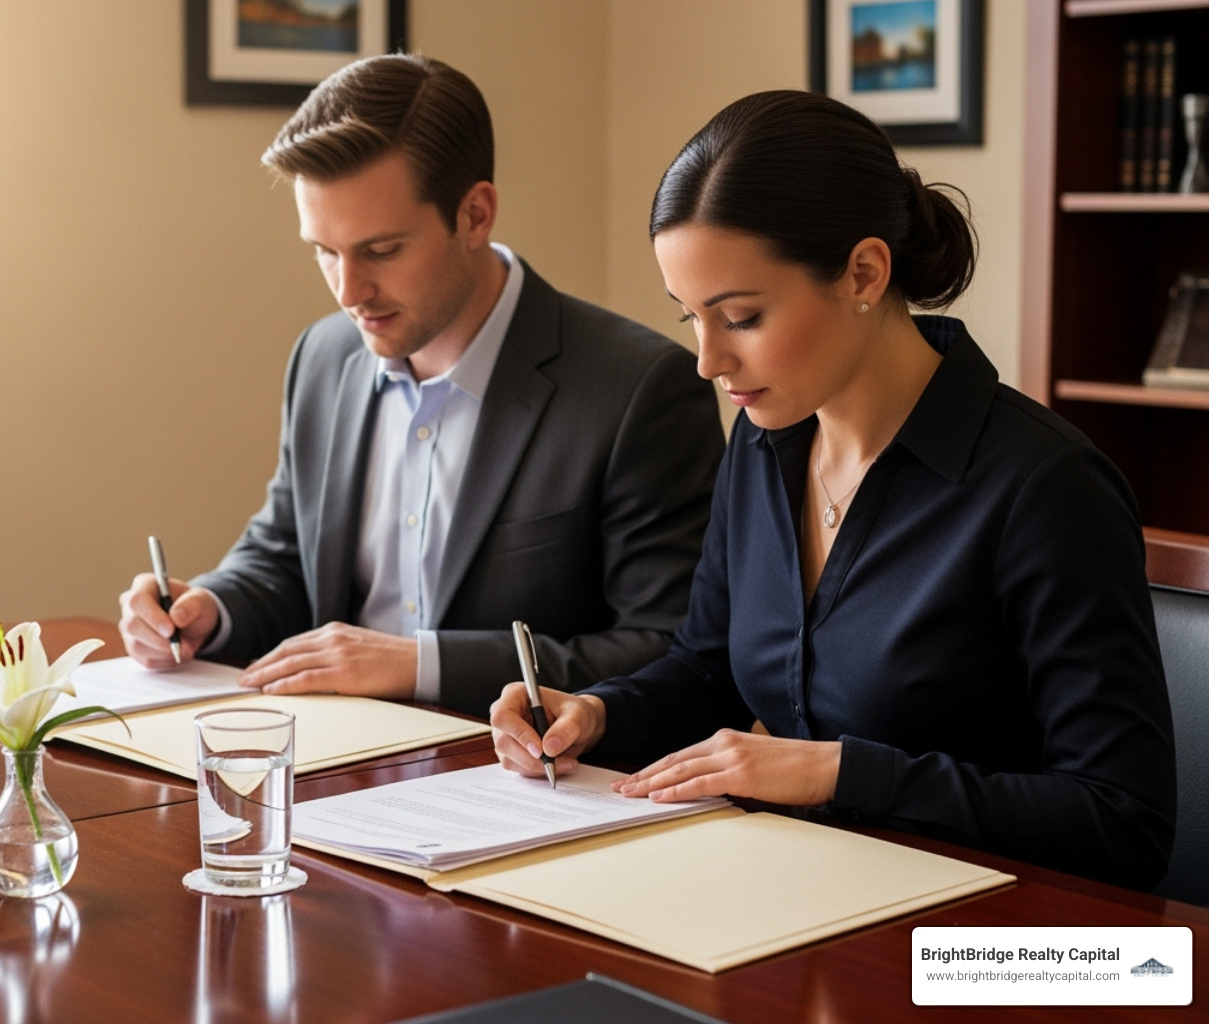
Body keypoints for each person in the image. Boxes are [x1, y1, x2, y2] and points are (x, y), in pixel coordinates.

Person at [490, 90, 1176, 889]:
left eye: (740, 317)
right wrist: (599, 714)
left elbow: (1124, 825)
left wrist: (839, 774)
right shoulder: (763, 442)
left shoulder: (1047, 488)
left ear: (864, 272)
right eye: (690, 320)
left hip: (985, 957)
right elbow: (710, 668)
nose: (708, 363)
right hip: (800, 903)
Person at [119, 54, 725, 717]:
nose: (349, 292)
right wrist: (213, 607)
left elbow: (669, 650)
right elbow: (286, 553)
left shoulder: (638, 389)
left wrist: (421, 665)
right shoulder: (323, 357)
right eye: (324, 251)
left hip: (515, 782)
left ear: (475, 214)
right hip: (337, 764)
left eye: (380, 251)